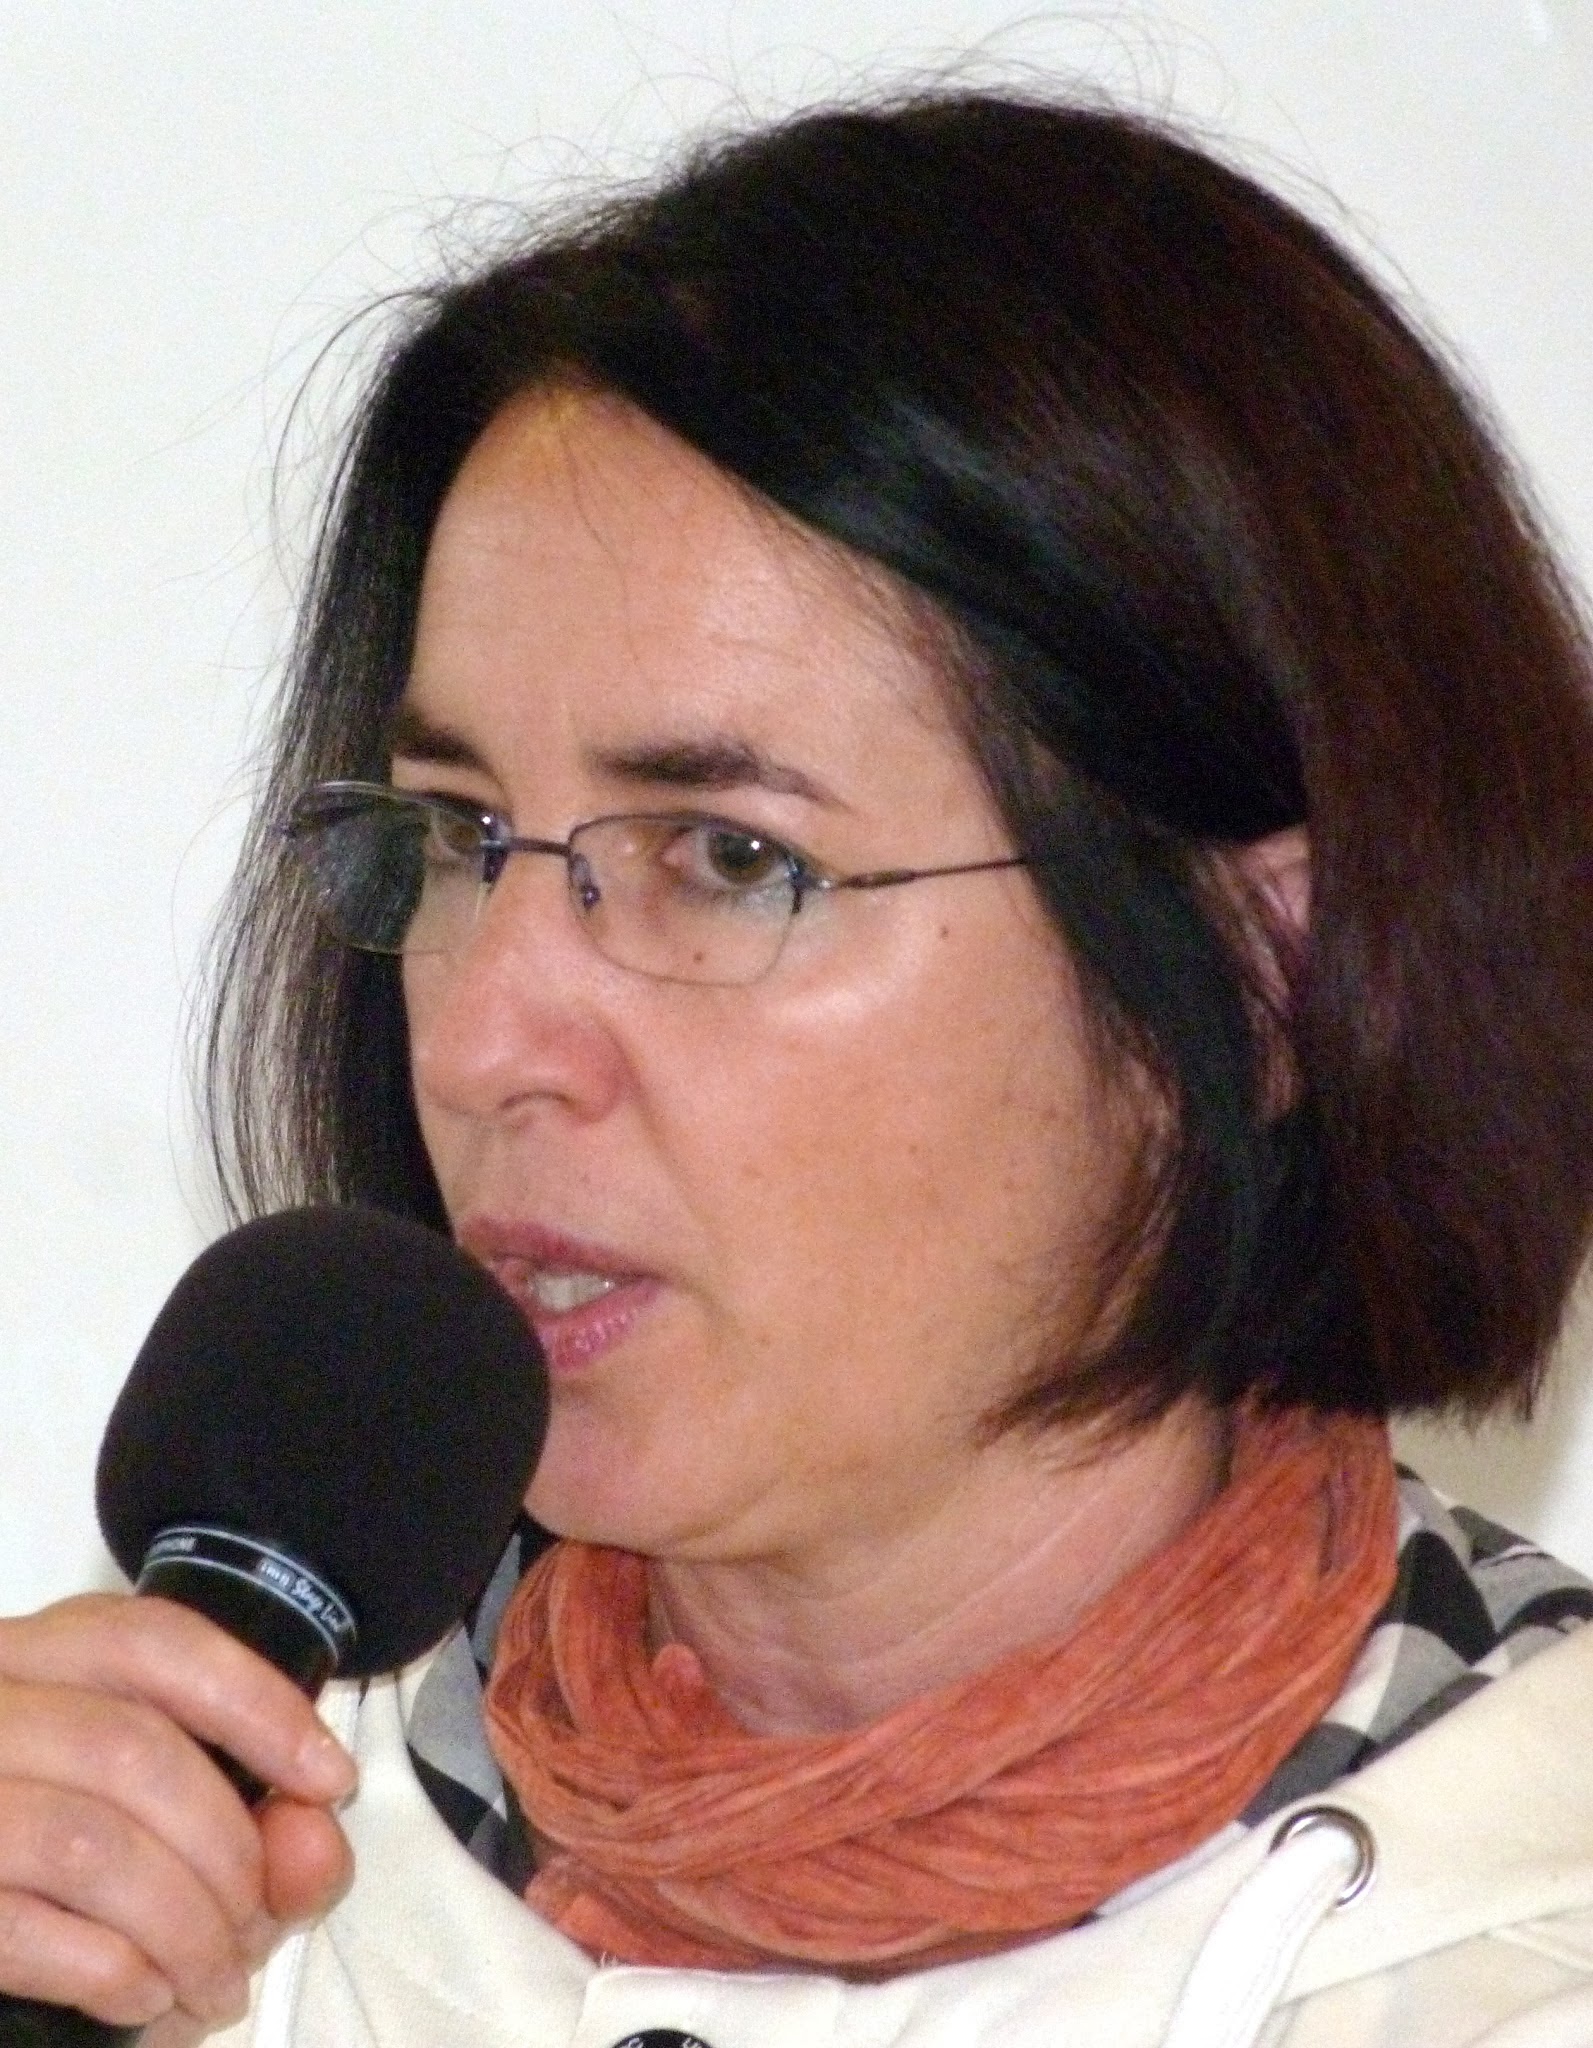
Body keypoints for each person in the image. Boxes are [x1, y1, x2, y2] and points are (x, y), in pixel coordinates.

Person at [2, 89, 1592, 2048]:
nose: (486, 1040)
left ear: (1265, 975)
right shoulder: (173, 1915)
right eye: (457, 838)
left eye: (732, 861)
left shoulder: (1517, 1960)